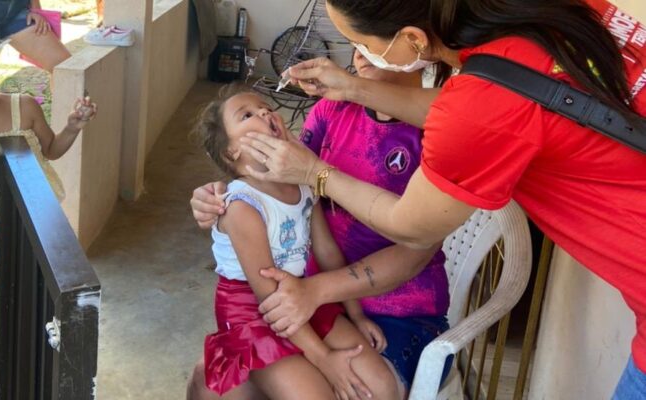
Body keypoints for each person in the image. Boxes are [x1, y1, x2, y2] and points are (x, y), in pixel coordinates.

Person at [223, 0, 646, 397]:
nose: (358, 56)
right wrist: (234, 197)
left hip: (396, 311)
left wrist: (314, 173)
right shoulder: (531, 17)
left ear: (413, 40)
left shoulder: (460, 118)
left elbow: (412, 227)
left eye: (365, 45)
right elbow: (486, 104)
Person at [189, 49, 453, 400]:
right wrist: (213, 195)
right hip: (287, 301)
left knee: (370, 388)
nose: (362, 52)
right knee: (221, 387)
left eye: (373, 38)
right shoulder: (332, 110)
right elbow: (283, 173)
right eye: (357, 41)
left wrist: (328, 301)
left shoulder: (441, 133)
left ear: (415, 42)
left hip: (379, 309)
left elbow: (411, 248)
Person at [0, 34, 96, 398]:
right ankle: (0, 357)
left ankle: (37, 347)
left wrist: (73, 126)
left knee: (41, 287)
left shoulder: (23, 106)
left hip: (36, 217)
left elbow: (51, 149)